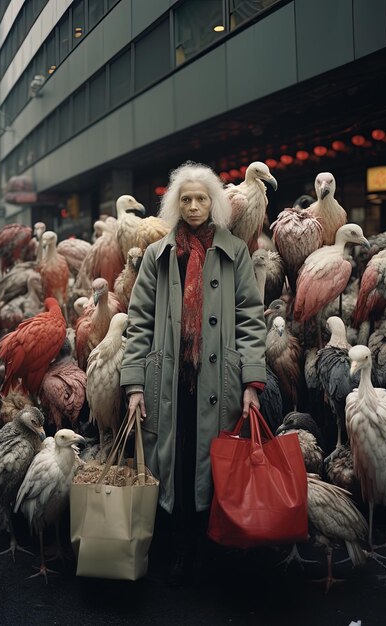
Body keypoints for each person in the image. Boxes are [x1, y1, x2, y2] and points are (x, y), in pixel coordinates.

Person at [120, 162, 267, 583]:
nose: (194, 206)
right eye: (185, 199)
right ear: (175, 204)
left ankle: (211, 545)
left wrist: (251, 381)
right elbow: (140, 319)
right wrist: (134, 384)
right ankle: (177, 543)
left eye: (201, 198)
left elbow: (250, 319)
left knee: (213, 460)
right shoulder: (157, 255)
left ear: (214, 202)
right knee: (174, 459)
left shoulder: (234, 251)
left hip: (216, 379)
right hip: (168, 378)